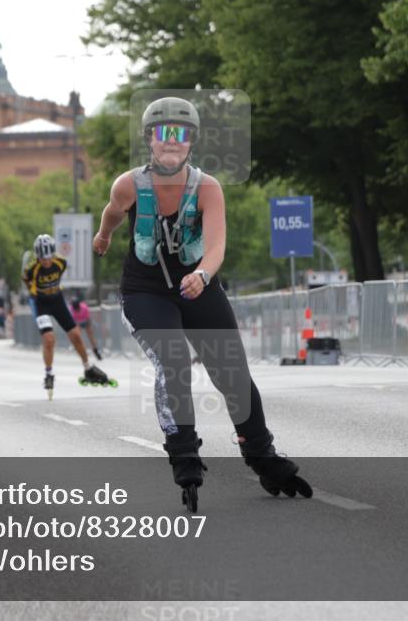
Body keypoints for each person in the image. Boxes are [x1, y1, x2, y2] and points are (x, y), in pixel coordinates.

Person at [92, 96, 311, 511]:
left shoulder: (207, 188)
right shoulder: (128, 184)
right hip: (145, 291)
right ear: (149, 141)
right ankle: (184, 451)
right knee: (173, 358)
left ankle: (263, 456)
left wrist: (203, 275)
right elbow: (112, 213)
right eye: (162, 134)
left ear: (191, 141)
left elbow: (217, 246)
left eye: (180, 135)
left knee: (232, 373)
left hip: (199, 284)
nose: (170, 143)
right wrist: (103, 237)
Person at [22, 234, 111, 398]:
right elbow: (27, 283)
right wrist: (36, 293)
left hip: (56, 300)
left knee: (76, 335)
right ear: (38, 257)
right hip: (40, 302)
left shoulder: (60, 263)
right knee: (49, 339)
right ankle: (49, 374)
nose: (46, 262)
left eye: (49, 258)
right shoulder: (31, 269)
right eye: (43, 259)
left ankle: (87, 367)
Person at [69, 295, 102, 361]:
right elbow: (72, 320)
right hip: (77, 322)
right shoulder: (71, 309)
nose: (77, 310)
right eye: (75, 308)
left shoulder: (84, 307)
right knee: (78, 335)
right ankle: (82, 349)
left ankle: (95, 350)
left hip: (85, 321)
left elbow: (87, 319)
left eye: (77, 308)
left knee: (90, 336)